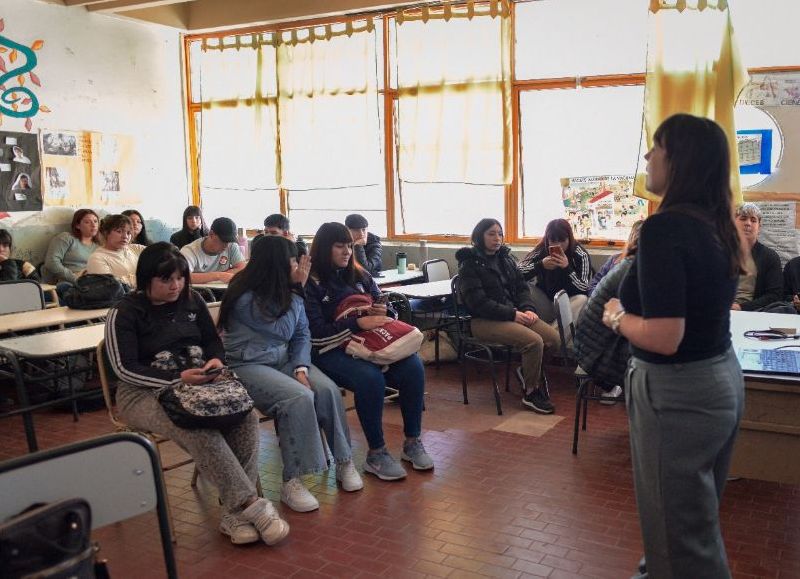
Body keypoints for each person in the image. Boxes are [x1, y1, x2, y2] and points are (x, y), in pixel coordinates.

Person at [602, 114, 744, 578]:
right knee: (691, 527)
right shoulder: (718, 223)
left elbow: (665, 338)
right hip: (719, 378)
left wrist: (617, 316)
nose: (647, 156)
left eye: (656, 146)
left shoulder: (665, 228)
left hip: (677, 392)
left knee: (679, 541)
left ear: (679, 159)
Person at [104, 242, 289, 546]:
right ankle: (251, 505)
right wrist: (177, 378)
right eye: (166, 279)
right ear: (146, 278)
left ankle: (234, 514)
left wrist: (215, 360)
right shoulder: (124, 312)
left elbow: (212, 342)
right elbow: (124, 369)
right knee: (197, 427)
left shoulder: (193, 301)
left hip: (199, 382)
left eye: (180, 278)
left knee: (245, 418)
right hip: (143, 392)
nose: (175, 286)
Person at [218, 236, 362, 512]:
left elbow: (301, 333)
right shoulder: (243, 295)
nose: (298, 267)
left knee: (327, 390)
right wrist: (297, 289)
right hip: (248, 365)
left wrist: (300, 367)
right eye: (294, 261)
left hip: (285, 360)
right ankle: (292, 481)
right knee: (298, 397)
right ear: (277, 264)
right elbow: (282, 330)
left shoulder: (286, 288)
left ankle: (344, 460)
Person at [304, 222, 432, 480]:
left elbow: (388, 311)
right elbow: (315, 333)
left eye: (349, 246)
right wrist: (357, 323)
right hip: (330, 349)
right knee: (370, 378)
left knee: (413, 367)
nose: (346, 252)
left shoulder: (360, 275)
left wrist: (384, 312)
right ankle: (376, 453)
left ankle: (412, 441)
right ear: (324, 248)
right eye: (339, 246)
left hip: (372, 343)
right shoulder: (311, 283)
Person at [456, 218, 560, 414]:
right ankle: (531, 392)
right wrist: (512, 314)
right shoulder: (469, 265)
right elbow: (478, 303)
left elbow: (522, 288)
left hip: (513, 314)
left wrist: (528, 308)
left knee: (553, 339)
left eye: (500, 234)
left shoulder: (506, 259)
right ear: (479, 236)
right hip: (483, 321)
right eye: (491, 234)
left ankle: (527, 370)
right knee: (534, 342)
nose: (497, 238)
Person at [574, 222, 643, 404]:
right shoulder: (632, 268)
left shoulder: (629, 262)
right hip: (597, 352)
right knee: (658, 362)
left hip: (592, 344)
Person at [519, 218, 593, 323]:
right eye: (553, 241)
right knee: (523, 286)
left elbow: (584, 287)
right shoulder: (542, 250)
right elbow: (516, 273)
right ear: (547, 239)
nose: (558, 245)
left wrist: (567, 269)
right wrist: (540, 265)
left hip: (568, 302)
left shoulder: (580, 254)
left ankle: (554, 332)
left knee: (582, 299)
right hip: (544, 300)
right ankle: (549, 330)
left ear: (569, 238)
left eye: (562, 240)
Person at [731, 203, 783, 311]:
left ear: (759, 227)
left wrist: (740, 307)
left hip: (754, 312)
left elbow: (774, 295)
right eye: (743, 219)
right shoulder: (719, 252)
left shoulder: (770, 257)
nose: (748, 223)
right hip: (718, 310)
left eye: (753, 220)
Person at [86, 214, 146, 289]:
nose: (125, 236)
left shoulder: (135, 248)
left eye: (128, 233)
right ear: (106, 233)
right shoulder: (97, 258)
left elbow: (158, 253)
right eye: (119, 231)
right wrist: (144, 278)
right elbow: (111, 287)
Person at [42, 209, 101, 284]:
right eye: (87, 222)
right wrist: (75, 278)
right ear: (77, 225)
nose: (93, 225)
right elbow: (51, 262)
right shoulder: (66, 238)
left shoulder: (98, 246)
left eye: (95, 221)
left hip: (90, 282)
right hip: (67, 282)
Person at [180, 217, 246, 284]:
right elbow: (183, 277)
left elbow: (242, 269)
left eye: (229, 241)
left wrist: (222, 276)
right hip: (198, 290)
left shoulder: (231, 246)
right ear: (211, 234)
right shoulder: (190, 251)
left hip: (224, 289)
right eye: (223, 241)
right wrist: (218, 276)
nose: (226, 246)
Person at [588, 221, 644, 296]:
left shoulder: (646, 267)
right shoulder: (614, 259)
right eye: (635, 235)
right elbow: (594, 283)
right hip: (602, 300)